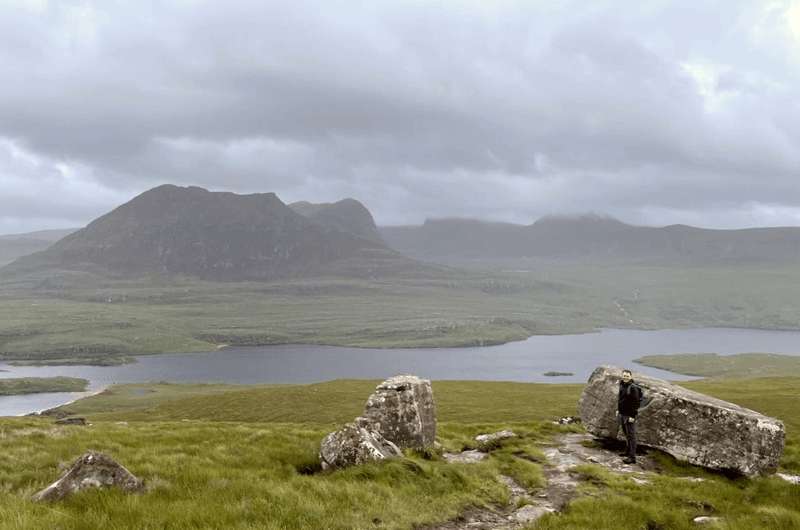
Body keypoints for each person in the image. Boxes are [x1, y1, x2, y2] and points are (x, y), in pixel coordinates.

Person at [616, 368, 643, 464]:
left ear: (631, 377)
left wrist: (633, 416)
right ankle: (627, 452)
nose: (625, 377)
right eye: (624, 376)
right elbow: (620, 399)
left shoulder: (633, 388)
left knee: (631, 436)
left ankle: (632, 458)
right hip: (622, 414)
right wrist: (618, 410)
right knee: (626, 434)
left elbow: (635, 403)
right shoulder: (622, 385)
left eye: (627, 376)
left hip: (629, 415)